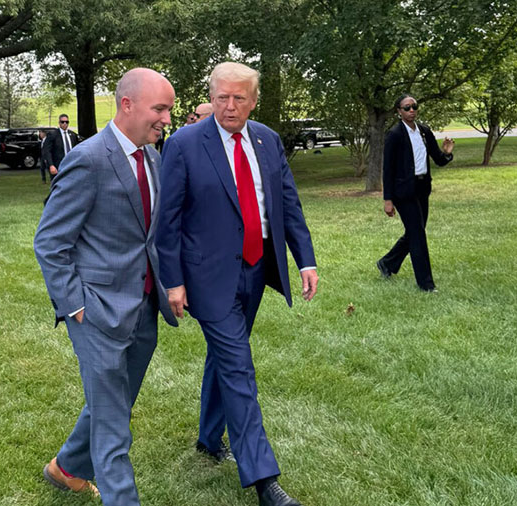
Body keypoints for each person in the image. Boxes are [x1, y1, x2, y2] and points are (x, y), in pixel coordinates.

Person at [156, 62, 318, 506]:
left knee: (225, 358)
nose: (230, 106)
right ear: (211, 95)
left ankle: (209, 438)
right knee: (238, 367)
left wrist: (304, 259)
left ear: (254, 100)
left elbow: (287, 201)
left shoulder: (267, 139)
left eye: (239, 98)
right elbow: (166, 221)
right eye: (222, 97)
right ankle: (265, 481)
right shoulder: (186, 144)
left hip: (255, 270)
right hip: (207, 277)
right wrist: (172, 281)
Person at [34, 68, 178, 505]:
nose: (166, 119)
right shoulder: (88, 158)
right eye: (160, 109)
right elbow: (50, 242)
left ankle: (67, 467)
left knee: (113, 400)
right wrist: (76, 305)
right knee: (114, 422)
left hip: (143, 307)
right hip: (95, 310)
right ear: (127, 104)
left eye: (169, 110)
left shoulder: (152, 156)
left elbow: (150, 236)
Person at [377, 94, 455, 292]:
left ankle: (387, 263)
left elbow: (437, 159)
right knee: (418, 235)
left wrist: (447, 153)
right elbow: (388, 169)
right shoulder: (394, 135)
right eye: (406, 107)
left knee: (415, 232)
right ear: (399, 112)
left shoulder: (424, 132)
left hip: (422, 189)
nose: (411, 110)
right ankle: (426, 284)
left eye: (414, 106)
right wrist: (388, 200)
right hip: (403, 192)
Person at [41, 114, 79, 180]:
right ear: (59, 123)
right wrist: (51, 165)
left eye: (66, 122)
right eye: (62, 122)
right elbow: (47, 151)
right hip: (57, 167)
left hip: (71, 165)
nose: (65, 124)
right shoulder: (53, 135)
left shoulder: (73, 135)